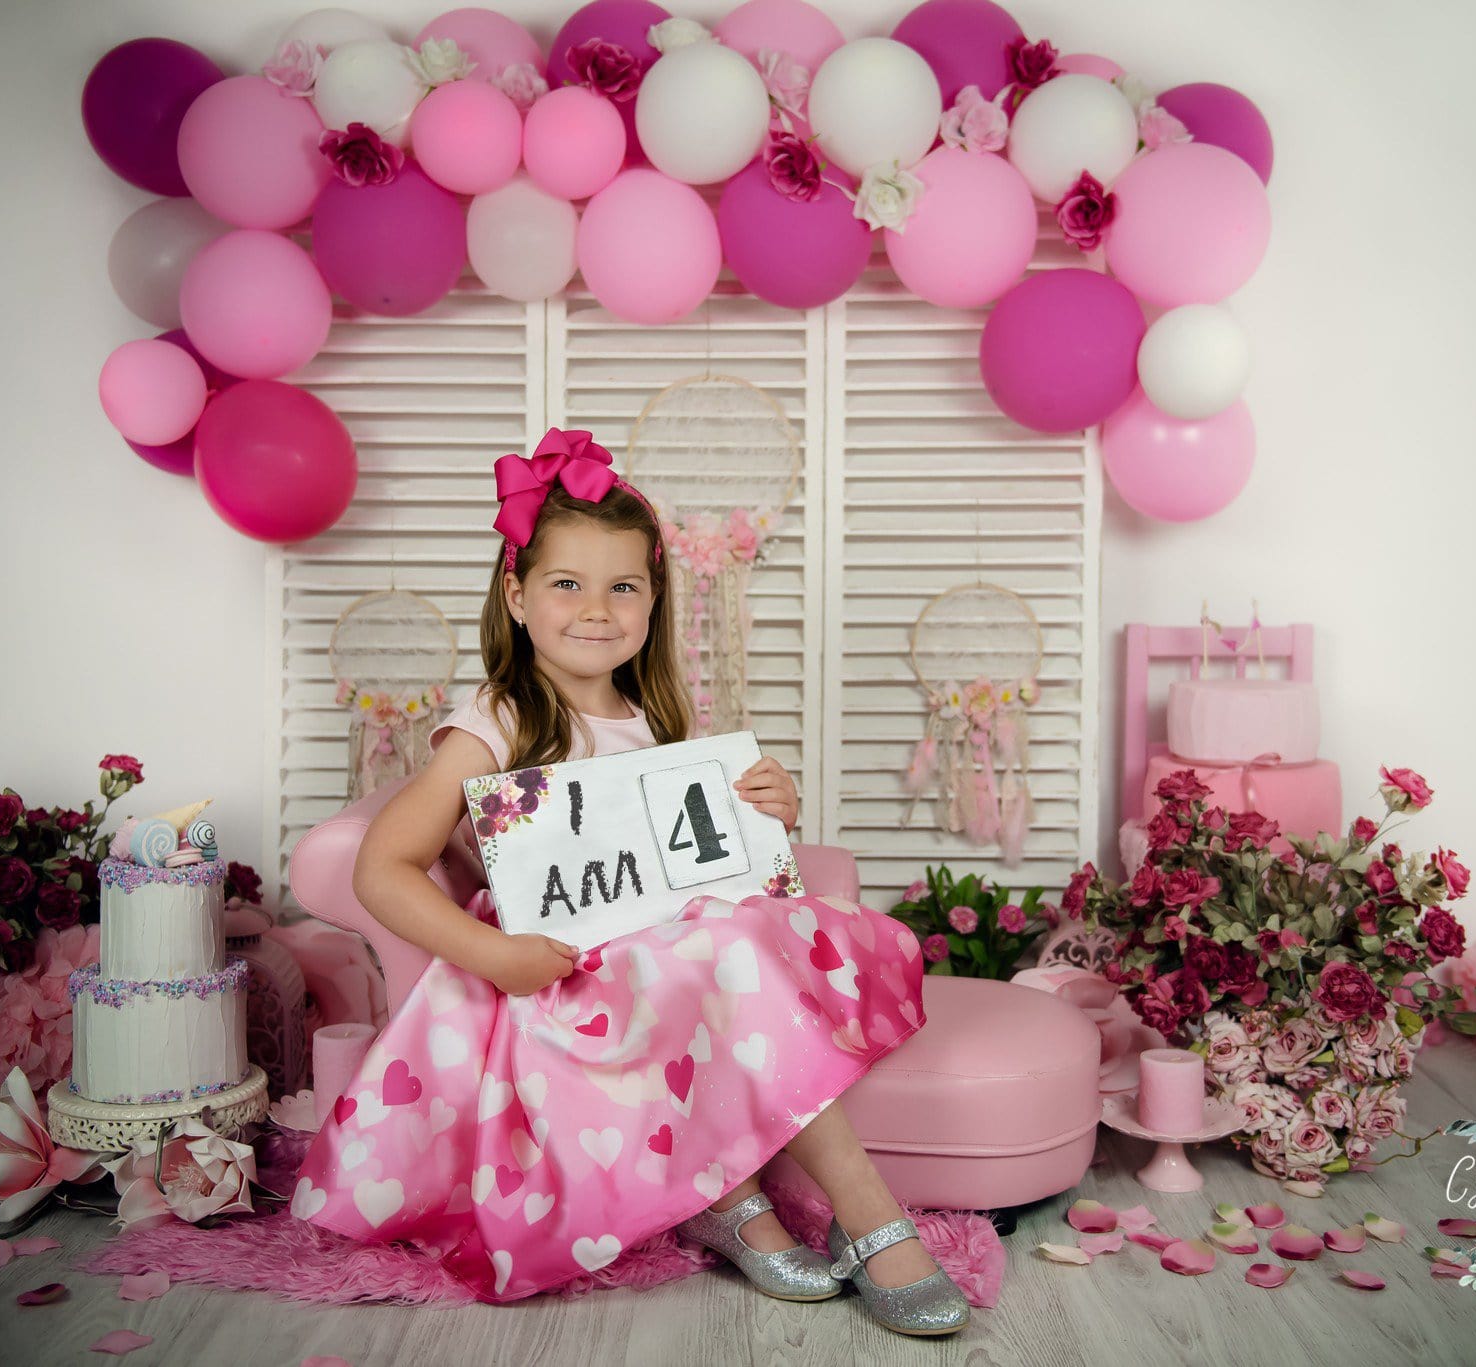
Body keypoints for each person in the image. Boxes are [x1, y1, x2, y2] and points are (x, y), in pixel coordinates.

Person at [292, 429, 970, 1337]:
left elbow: (690, 851)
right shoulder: (495, 719)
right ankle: (863, 1214)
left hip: (664, 951)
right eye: (567, 583)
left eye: (624, 586)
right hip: (566, 974)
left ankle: (732, 1199)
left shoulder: (652, 715)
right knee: (722, 962)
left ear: (654, 599)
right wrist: (496, 953)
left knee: (736, 950)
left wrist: (767, 807)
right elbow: (382, 867)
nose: (597, 609)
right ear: (517, 594)